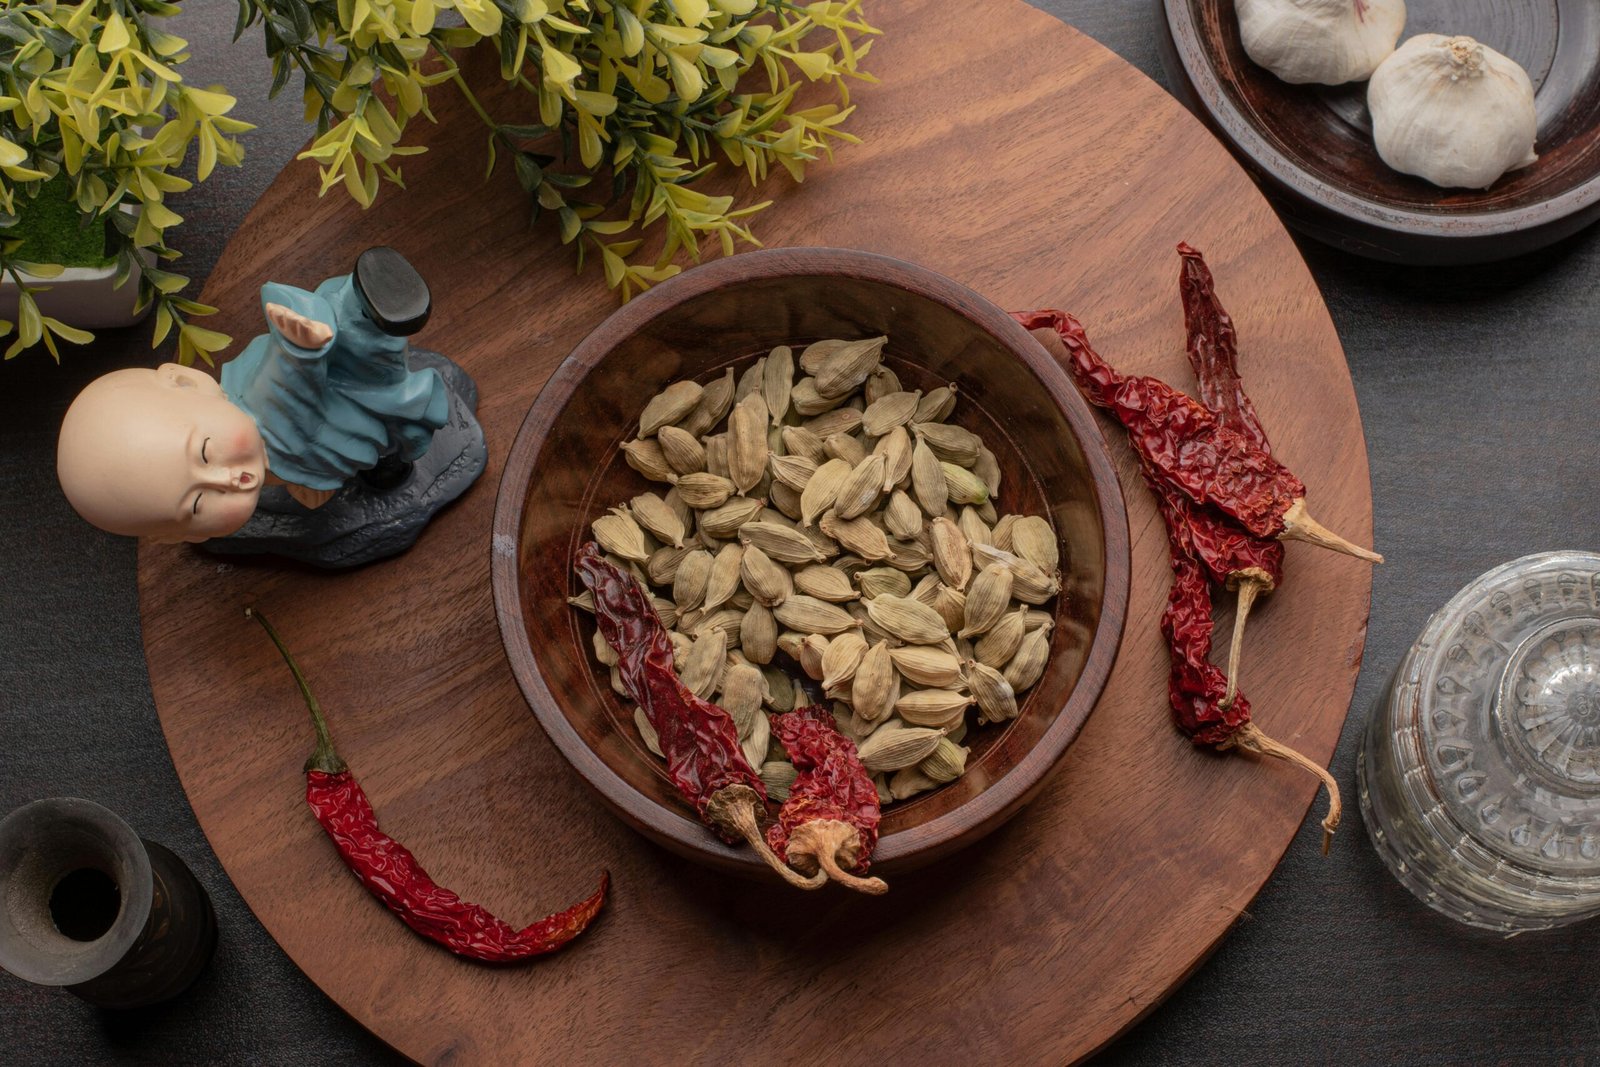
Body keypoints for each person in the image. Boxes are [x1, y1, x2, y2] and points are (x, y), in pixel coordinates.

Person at [58, 248, 470, 552]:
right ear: (185, 534)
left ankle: (364, 309)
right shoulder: (262, 446)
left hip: (339, 395)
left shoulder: (263, 400)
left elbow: (288, 385)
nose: (229, 480)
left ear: (189, 383)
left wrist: (298, 349)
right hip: (318, 441)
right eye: (199, 503)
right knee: (366, 448)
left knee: (386, 401)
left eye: (204, 453)